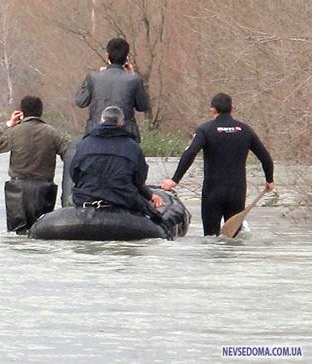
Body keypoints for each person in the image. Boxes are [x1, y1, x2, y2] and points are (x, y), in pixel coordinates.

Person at [161, 93, 274, 236]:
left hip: (213, 192)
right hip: (237, 192)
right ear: (232, 108)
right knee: (232, 237)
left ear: (212, 110)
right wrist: (269, 180)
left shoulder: (205, 130)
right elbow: (265, 158)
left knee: (211, 237)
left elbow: (190, 153)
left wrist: (174, 180)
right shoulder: (245, 130)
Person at [0, 95, 70, 233]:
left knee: (17, 234)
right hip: (44, 190)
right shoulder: (53, 133)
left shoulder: (14, 132)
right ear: (41, 111)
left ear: (22, 112)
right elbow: (69, 156)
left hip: (17, 190)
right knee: (41, 232)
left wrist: (8, 124)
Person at [69, 106, 164, 213]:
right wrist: (150, 195)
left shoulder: (83, 145)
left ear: (101, 121)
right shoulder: (133, 147)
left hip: (86, 200)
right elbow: (139, 180)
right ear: (121, 123)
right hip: (123, 202)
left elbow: (74, 175)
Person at [75, 37, 150, 142]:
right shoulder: (134, 79)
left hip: (96, 135)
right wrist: (132, 75)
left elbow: (80, 102)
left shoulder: (93, 78)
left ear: (107, 56)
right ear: (126, 58)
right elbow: (143, 106)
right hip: (125, 137)